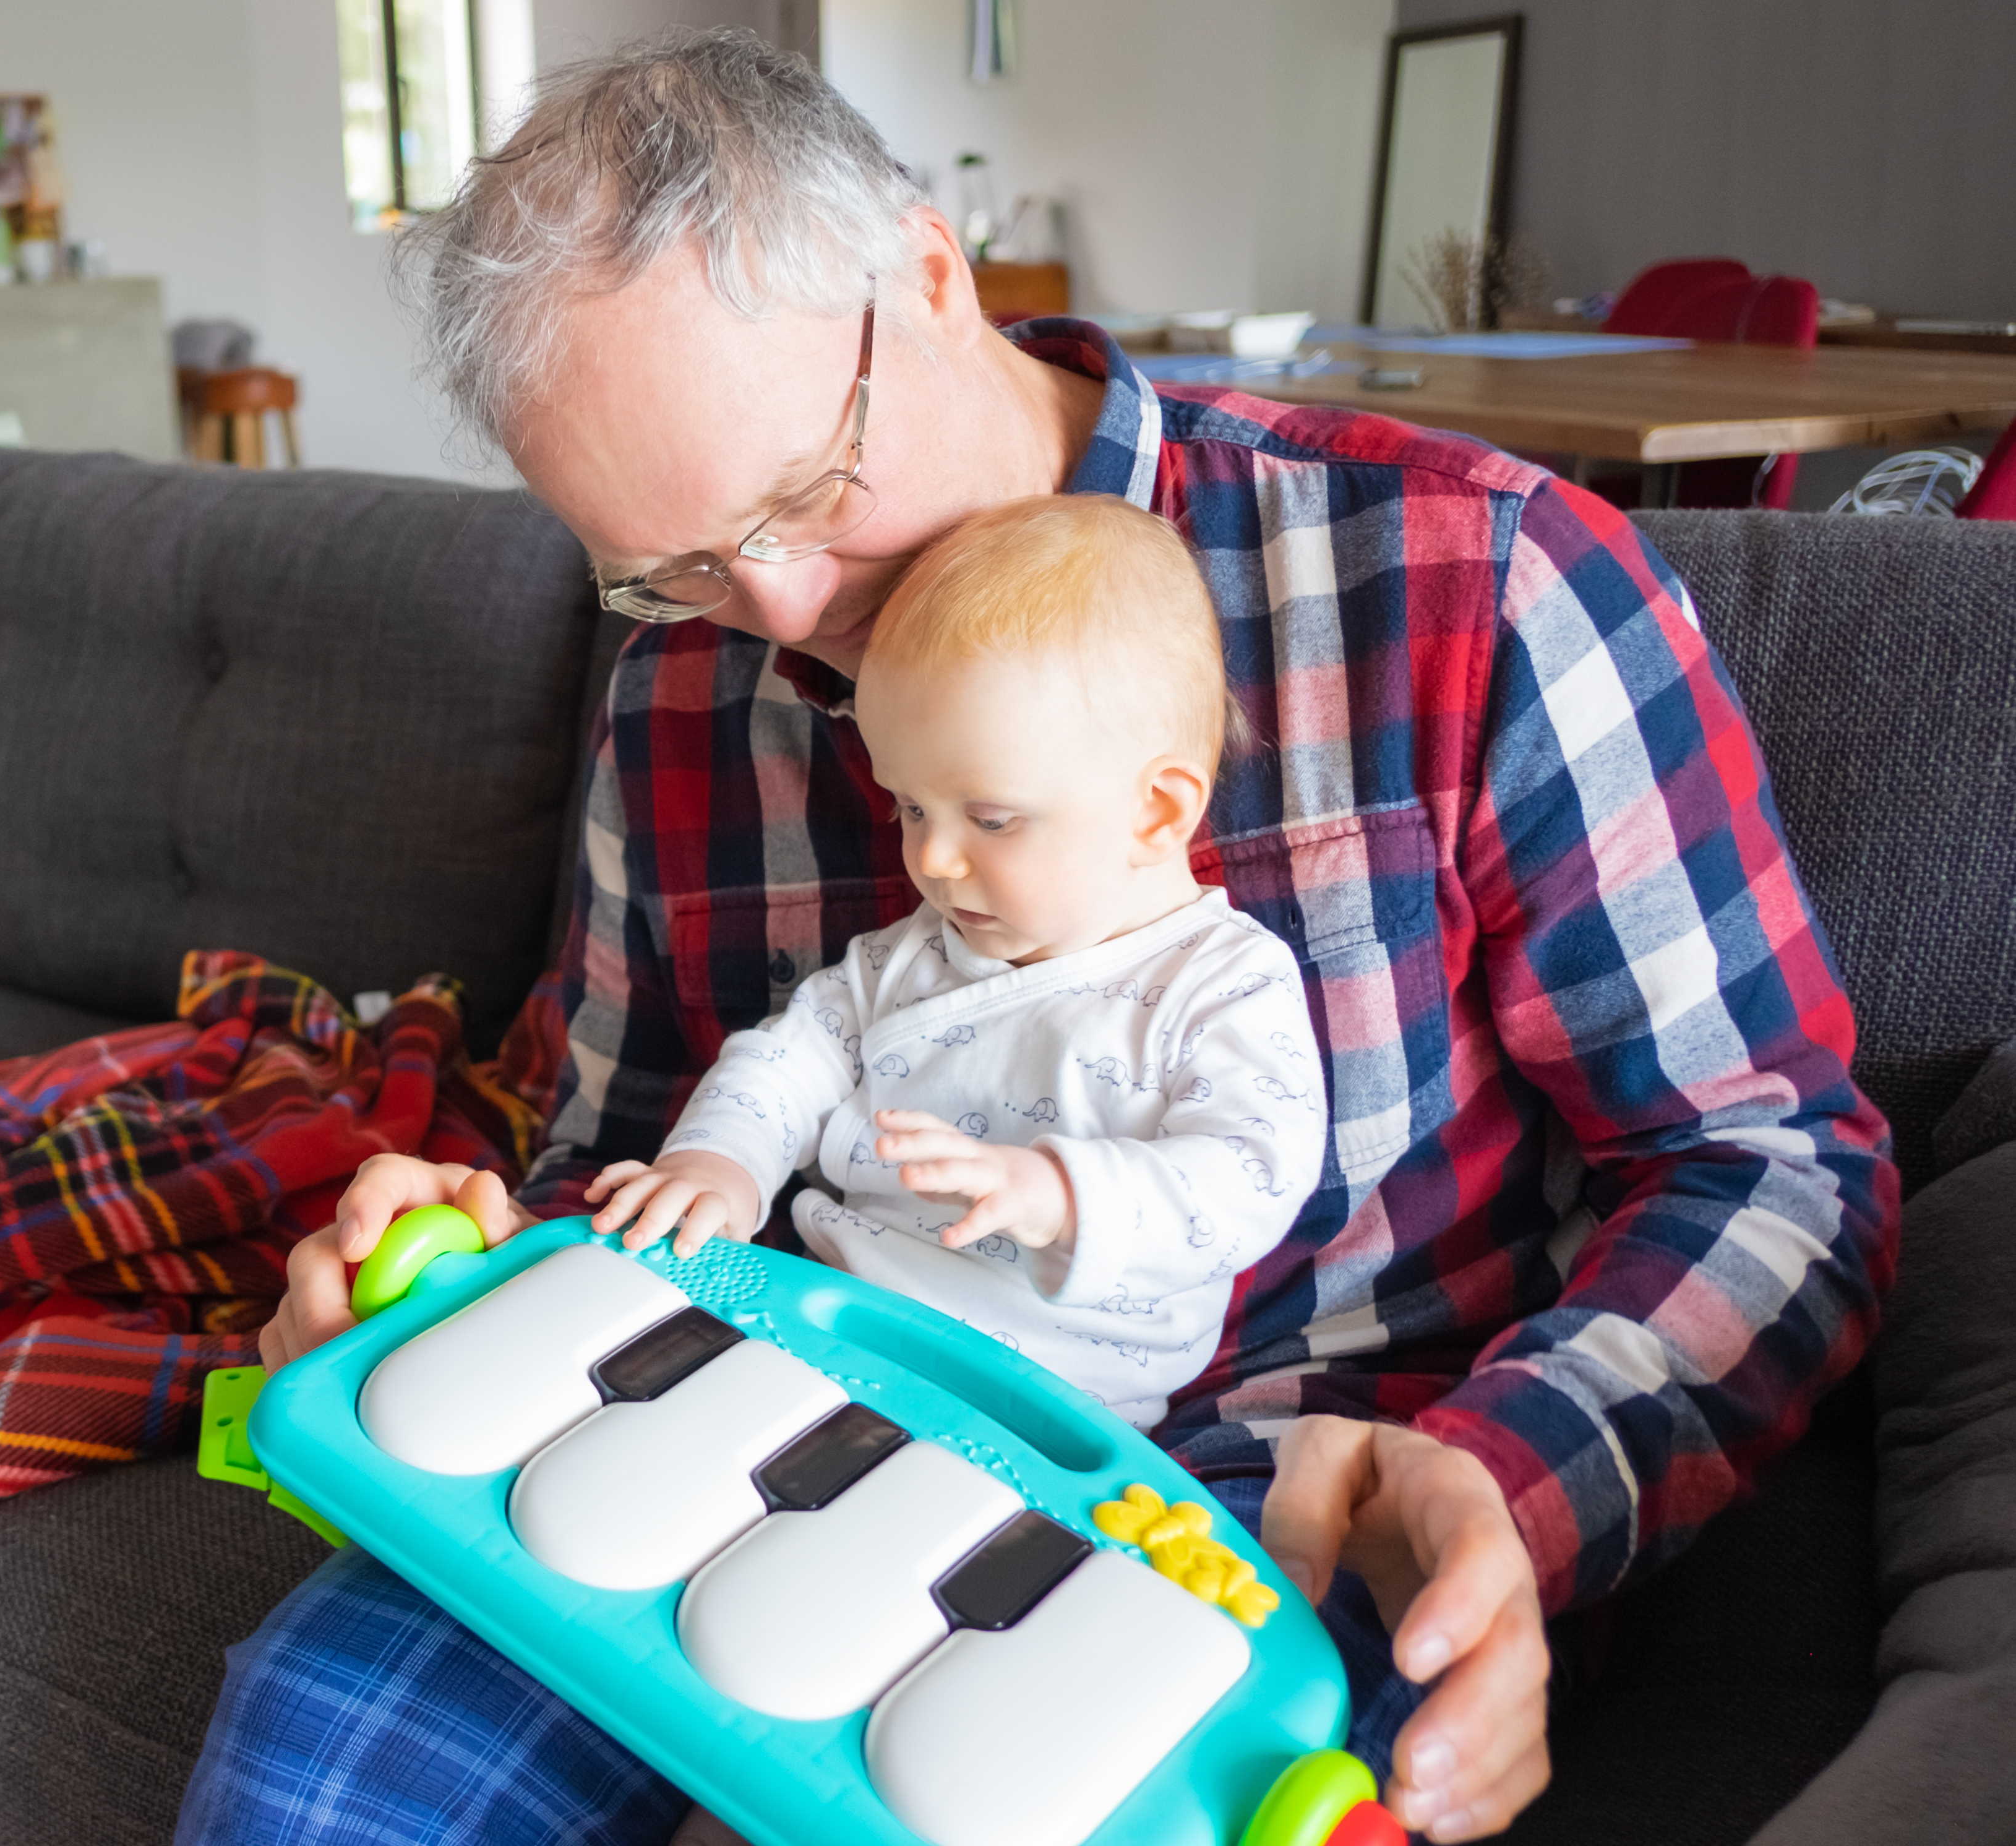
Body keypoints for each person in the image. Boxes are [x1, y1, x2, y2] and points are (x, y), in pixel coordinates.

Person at [181, 30, 1897, 1846]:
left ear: (930, 275)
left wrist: (1508, 1478)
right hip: (784, 1385)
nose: (778, 617)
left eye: (800, 492)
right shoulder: (682, 690)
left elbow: (1760, 1159)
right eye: (673, 564)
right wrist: (470, 1268)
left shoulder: (1466, 584)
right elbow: (621, 1163)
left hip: (1285, 1481)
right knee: (319, 1768)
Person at [587, 492, 1326, 1433]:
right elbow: (785, 1064)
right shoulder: (906, 961)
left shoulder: (1221, 985)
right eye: (910, 808)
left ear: (1155, 812)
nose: (932, 861)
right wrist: (717, 1163)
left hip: (1049, 1407)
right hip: (826, 1338)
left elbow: (1248, 1174)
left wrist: (1054, 1194)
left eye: (989, 819)